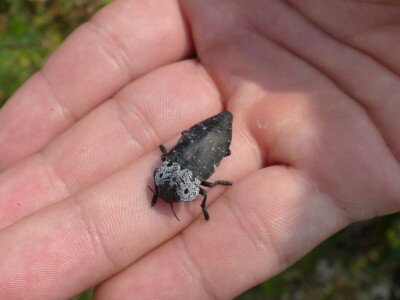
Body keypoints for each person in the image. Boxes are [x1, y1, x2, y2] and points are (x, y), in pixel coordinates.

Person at [0, 0, 399, 298]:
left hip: (209, 138)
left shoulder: (178, 173)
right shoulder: (180, 174)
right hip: (209, 140)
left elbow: (178, 166)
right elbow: (180, 168)